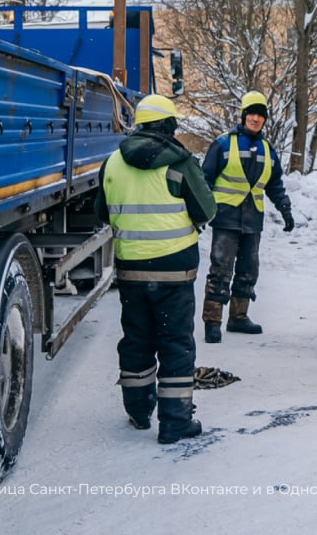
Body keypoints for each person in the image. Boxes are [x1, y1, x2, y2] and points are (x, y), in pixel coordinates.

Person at [96, 93, 215, 444]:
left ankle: (138, 410)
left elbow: (101, 213)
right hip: (175, 271)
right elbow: (206, 211)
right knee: (175, 342)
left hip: (131, 270)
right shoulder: (180, 163)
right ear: (167, 125)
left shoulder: (113, 163)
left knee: (137, 338)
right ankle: (175, 421)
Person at [201, 91, 294, 342]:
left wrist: (285, 208)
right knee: (220, 269)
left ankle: (238, 317)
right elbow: (204, 180)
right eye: (251, 114)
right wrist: (199, 214)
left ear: (265, 120)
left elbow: (275, 184)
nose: (255, 119)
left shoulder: (267, 149)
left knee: (248, 270)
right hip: (226, 218)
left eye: (260, 115)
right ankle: (213, 321)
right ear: (243, 116)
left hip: (253, 220)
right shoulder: (222, 144)